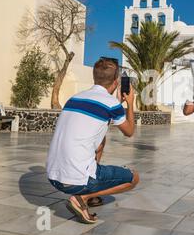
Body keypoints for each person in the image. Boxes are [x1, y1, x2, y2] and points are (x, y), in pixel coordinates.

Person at [46, 57, 139, 224]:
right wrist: (130, 103)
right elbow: (129, 132)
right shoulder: (111, 104)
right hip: (74, 182)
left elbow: (101, 114)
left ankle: (89, 195)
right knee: (133, 178)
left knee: (101, 141)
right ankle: (82, 197)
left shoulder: (74, 99)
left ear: (95, 78)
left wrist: (117, 102)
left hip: (53, 177)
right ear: (117, 81)